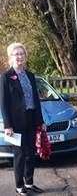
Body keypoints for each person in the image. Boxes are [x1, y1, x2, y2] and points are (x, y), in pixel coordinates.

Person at [0, 43, 45, 195]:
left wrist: (41, 121)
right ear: (10, 58)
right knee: (19, 155)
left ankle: (30, 183)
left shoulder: (30, 76)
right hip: (16, 123)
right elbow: (4, 104)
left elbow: (36, 100)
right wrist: (8, 125)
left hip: (31, 120)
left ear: (25, 56)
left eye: (21, 54)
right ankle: (20, 187)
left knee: (31, 154)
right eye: (16, 54)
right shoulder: (5, 77)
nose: (19, 56)